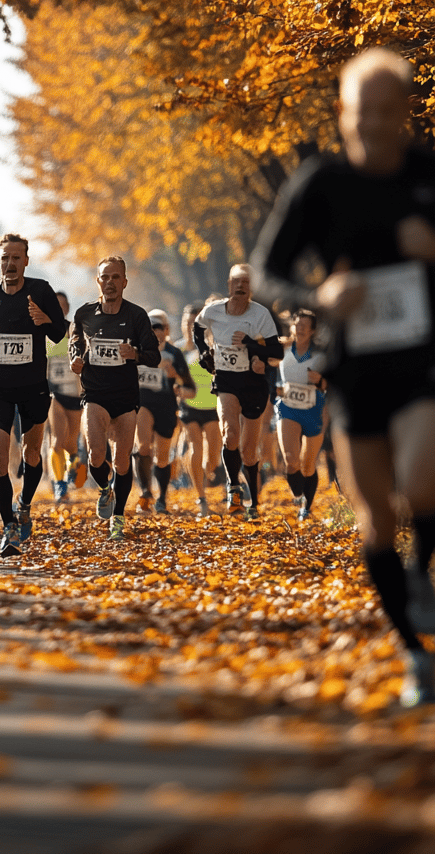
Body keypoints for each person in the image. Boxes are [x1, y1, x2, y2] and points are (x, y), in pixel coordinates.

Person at [252, 47, 435, 706]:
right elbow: (265, 271)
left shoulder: (427, 174)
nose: (374, 125)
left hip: (424, 362)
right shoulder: (320, 184)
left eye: (387, 111)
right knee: (376, 521)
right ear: (342, 113)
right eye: (363, 112)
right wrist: (320, 298)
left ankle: (419, 575)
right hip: (356, 370)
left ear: (405, 112)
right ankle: (414, 655)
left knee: (422, 479)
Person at [0, 234, 66, 556]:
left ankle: (25, 503)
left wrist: (45, 320)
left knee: (32, 453)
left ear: (25, 261)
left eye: (16, 258)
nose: (10, 263)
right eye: (5, 258)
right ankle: (8, 527)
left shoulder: (40, 291)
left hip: (32, 385)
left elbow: (60, 332)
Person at [69, 256, 159, 541]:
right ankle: (105, 489)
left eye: (115, 277)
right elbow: (75, 343)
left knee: (121, 462)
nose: (110, 282)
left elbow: (154, 356)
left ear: (124, 282)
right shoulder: (84, 314)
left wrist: (136, 354)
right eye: (105, 277)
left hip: (125, 396)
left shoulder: (136, 316)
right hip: (95, 393)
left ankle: (118, 518)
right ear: (98, 281)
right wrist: (75, 359)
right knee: (96, 455)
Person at [194, 264, 283, 520]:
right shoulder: (213, 310)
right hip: (225, 380)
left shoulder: (261, 314)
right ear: (229, 285)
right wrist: (204, 352)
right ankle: (233, 488)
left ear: (251, 288)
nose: (240, 286)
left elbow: (276, 352)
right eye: (236, 281)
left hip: (253, 383)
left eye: (245, 282)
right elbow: (197, 329)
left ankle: (253, 500)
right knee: (230, 434)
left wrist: (251, 345)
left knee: (248, 451)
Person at [133, 309, 195, 514]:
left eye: (159, 327)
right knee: (143, 446)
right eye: (151, 327)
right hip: (142, 403)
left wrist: (175, 377)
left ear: (167, 330)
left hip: (166, 407)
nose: (155, 331)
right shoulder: (136, 350)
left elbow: (190, 389)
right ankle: (145, 492)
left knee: (162, 456)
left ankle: (161, 498)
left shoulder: (174, 353)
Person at [272, 309, 328, 520]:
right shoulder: (282, 349)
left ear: (312, 331)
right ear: (292, 327)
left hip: (314, 410)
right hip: (288, 407)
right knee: (291, 460)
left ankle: (307, 506)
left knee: (307, 464)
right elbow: (263, 364)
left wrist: (320, 381)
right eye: (297, 324)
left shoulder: (321, 354)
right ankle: (298, 494)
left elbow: (330, 384)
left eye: (305, 325)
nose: (301, 328)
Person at [177, 303, 223, 516]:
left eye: (195, 323)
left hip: (213, 407)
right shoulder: (178, 350)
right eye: (187, 322)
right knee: (195, 447)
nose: (190, 327)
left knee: (212, 458)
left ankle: (205, 471)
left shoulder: (212, 348)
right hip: (189, 407)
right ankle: (201, 497)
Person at [46, 291, 85, 501]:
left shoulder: (75, 332)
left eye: (62, 306)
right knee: (57, 440)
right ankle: (60, 485)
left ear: (68, 308)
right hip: (54, 393)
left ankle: (75, 463)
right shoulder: (44, 333)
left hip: (74, 395)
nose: (58, 309)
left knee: (71, 444)